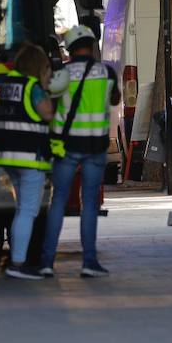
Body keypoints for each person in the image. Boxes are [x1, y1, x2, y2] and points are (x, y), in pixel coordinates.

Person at [38, 25, 119, 278]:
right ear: (92, 46)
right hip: (96, 148)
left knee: (58, 201)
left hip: (67, 147)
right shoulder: (106, 72)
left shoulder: (62, 73)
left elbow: (49, 98)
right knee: (89, 204)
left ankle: (46, 262)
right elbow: (115, 99)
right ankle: (89, 261)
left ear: (70, 49)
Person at [0, 42, 55, 280]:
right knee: (28, 211)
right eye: (46, 68)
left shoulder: (8, 85)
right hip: (30, 158)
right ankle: (18, 263)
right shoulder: (33, 88)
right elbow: (48, 114)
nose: (48, 72)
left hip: (9, 157)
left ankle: (17, 259)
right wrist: (51, 91)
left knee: (21, 210)